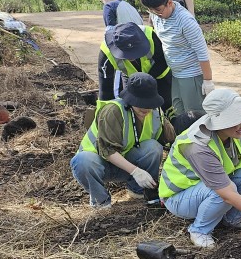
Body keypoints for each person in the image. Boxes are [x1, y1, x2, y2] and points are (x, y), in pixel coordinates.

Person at [159, 89, 241, 248]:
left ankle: (235, 218)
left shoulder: (238, 131)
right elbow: (227, 194)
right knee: (220, 191)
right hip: (179, 197)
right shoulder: (198, 146)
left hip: (207, 187)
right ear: (219, 121)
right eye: (236, 119)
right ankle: (199, 230)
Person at [71, 73, 175, 209]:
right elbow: (107, 150)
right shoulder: (113, 111)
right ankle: (101, 202)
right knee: (82, 161)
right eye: (140, 104)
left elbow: (172, 140)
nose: (145, 109)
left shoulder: (156, 114)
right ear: (130, 100)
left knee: (153, 147)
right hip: (99, 165)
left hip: (127, 162)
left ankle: (139, 190)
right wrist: (136, 171)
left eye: (149, 104)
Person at [140, 0, 212, 116]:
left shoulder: (186, 22)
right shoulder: (156, 15)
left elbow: (203, 53)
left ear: (169, 2)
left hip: (191, 76)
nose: (156, 14)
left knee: (194, 118)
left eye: (159, 10)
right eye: (151, 11)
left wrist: (207, 81)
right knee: (178, 115)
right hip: (174, 74)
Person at [97, 23, 172, 114]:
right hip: (131, 78)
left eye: (135, 53)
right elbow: (105, 90)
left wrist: (145, 81)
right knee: (131, 107)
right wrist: (103, 114)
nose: (131, 57)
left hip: (159, 74)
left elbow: (163, 62)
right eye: (126, 55)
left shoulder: (151, 37)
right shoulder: (106, 54)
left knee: (164, 105)